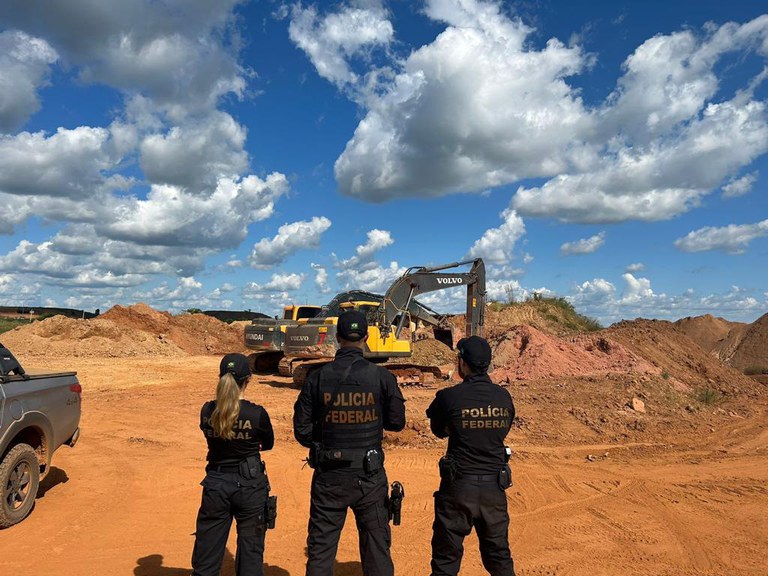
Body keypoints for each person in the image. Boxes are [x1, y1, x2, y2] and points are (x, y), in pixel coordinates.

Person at [293, 309, 406, 576]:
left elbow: (301, 431)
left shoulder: (317, 377)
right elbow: (397, 422)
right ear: (366, 337)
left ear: (337, 337)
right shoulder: (382, 377)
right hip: (369, 477)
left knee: (321, 551)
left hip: (329, 475)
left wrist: (325, 438)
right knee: (377, 548)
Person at [426, 336, 516, 576]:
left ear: (462, 363)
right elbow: (502, 429)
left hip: (458, 489)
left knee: (446, 559)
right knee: (499, 556)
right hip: (493, 491)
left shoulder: (448, 397)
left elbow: (438, 430)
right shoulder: (503, 398)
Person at [192, 353, 274, 576]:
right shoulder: (257, 414)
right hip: (250, 486)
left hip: (216, 484)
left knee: (207, 552)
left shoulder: (207, 411)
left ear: (220, 378)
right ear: (248, 380)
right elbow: (268, 444)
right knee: (251, 553)